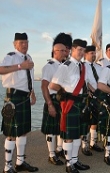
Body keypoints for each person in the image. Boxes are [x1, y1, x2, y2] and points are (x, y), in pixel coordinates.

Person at [0, 32, 38, 173]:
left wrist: (32, 93)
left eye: (26, 42)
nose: (24, 45)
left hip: (25, 97)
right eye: (21, 42)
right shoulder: (11, 57)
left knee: (23, 132)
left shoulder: (29, 58)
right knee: (11, 133)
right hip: (14, 98)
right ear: (15, 44)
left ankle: (20, 162)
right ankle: (7, 167)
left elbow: (28, 78)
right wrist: (20, 66)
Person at [49, 39, 92, 173]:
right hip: (70, 103)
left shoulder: (83, 66)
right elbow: (53, 85)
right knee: (69, 135)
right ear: (72, 50)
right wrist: (65, 90)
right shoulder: (66, 66)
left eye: (83, 50)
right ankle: (69, 165)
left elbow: (87, 84)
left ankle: (75, 160)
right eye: (79, 49)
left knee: (78, 133)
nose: (81, 52)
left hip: (81, 102)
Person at [41, 38, 68, 166]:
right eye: (62, 50)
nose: (64, 52)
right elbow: (44, 86)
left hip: (62, 99)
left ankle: (59, 150)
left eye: (65, 50)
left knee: (60, 127)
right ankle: (51, 155)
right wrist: (50, 104)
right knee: (51, 129)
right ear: (54, 51)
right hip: (53, 99)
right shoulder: (49, 66)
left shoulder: (63, 66)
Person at [81, 45, 104, 156]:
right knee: (86, 121)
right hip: (89, 96)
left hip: (99, 95)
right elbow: (85, 82)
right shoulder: (82, 66)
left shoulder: (99, 67)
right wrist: (93, 91)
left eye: (94, 53)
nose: (94, 55)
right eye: (91, 53)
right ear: (85, 54)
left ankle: (93, 143)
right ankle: (84, 145)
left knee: (95, 120)